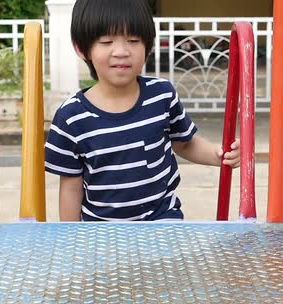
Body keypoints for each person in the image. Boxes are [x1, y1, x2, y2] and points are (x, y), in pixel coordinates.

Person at [44, 0, 241, 221]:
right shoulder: (71, 117)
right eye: (107, 41)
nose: (121, 52)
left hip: (162, 222)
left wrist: (218, 154)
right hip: (101, 232)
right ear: (81, 48)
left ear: (148, 45)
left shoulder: (162, 96)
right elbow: (71, 187)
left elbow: (184, 143)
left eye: (133, 40)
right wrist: (73, 243)